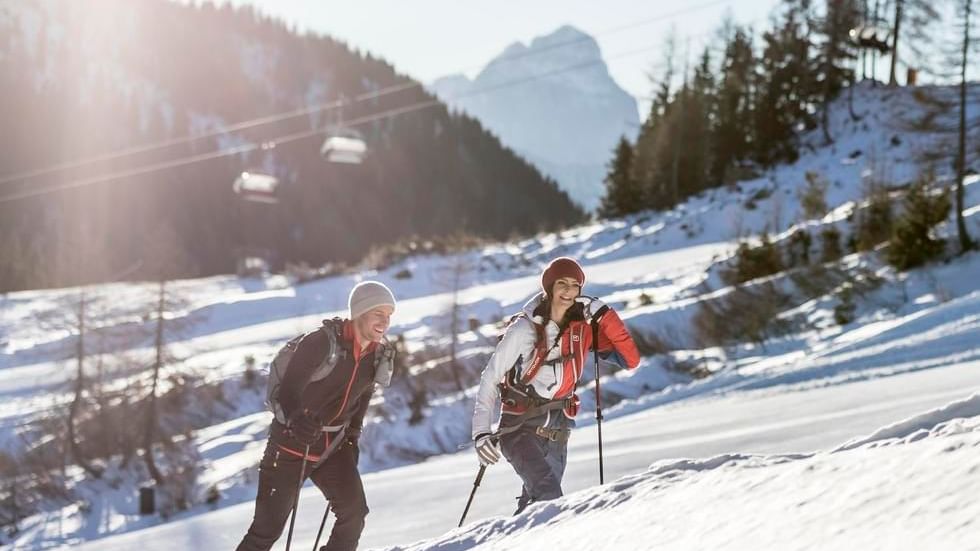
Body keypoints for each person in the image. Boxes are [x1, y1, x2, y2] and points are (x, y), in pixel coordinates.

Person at [471, 257, 640, 514]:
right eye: (562, 283)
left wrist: (606, 315)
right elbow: (490, 376)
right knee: (550, 501)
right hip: (520, 429)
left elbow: (630, 360)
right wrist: (481, 432)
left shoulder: (584, 329)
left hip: (558, 431)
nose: (569, 291)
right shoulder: (524, 328)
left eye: (575, 285)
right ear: (549, 287)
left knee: (535, 509)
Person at [237, 281, 397, 551]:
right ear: (360, 312)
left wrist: (352, 437)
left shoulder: (376, 355)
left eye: (389, 315)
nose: (385, 321)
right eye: (378, 313)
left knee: (354, 514)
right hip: (290, 447)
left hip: (332, 448)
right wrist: (298, 420)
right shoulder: (320, 342)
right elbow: (288, 390)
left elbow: (363, 396)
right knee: (265, 532)